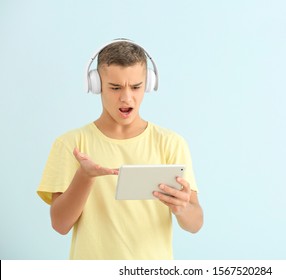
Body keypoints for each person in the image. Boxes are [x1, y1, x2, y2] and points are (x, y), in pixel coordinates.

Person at [37, 39, 203, 260]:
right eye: (115, 88)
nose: (126, 97)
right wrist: (84, 176)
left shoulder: (171, 143)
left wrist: (182, 207)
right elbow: (60, 224)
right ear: (96, 85)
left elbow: (195, 224)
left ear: (149, 83)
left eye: (136, 87)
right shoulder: (71, 144)